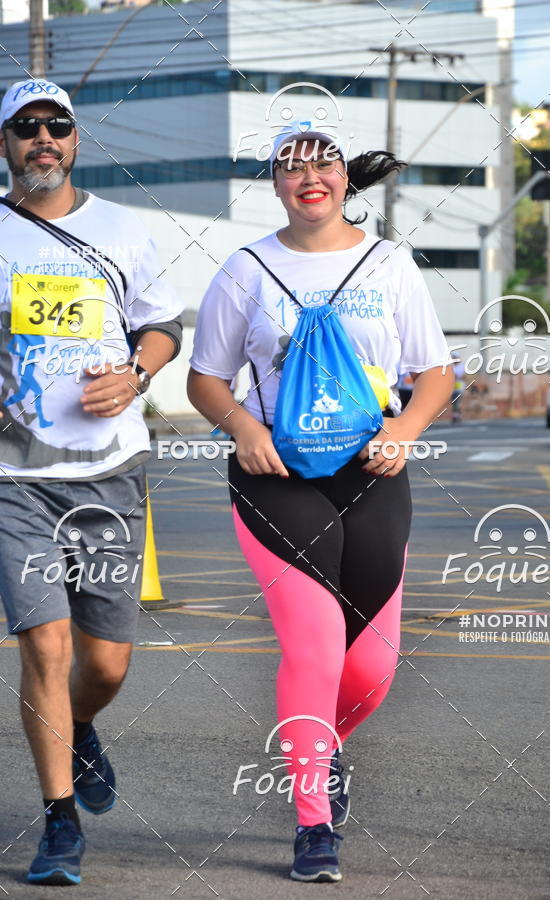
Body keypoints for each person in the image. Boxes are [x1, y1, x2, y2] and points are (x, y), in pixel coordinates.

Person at [188, 123, 453, 883]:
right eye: (290, 165)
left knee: (370, 669)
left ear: (344, 178)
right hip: (276, 480)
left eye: (324, 161)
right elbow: (206, 376)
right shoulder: (245, 269)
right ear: (273, 183)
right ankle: (313, 824)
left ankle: (321, 747)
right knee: (312, 647)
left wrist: (405, 428)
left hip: (372, 472)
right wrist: (240, 426)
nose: (309, 175)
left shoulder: (388, 263)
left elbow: (435, 370)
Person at [0, 79, 184, 886]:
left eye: (57, 126)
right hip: (14, 473)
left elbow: (163, 324)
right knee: (45, 642)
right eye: (26, 127)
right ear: (4, 144)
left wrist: (137, 373)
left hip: (110, 470)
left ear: (76, 141)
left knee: (104, 664)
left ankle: (79, 725)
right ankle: (60, 823)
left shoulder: (121, 230)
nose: (43, 138)